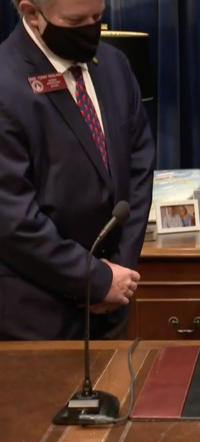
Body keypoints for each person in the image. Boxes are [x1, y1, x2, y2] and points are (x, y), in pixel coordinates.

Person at [0, 0, 156, 340]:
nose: (91, 30)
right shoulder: (4, 82)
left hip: (112, 307)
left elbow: (140, 168)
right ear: (31, 13)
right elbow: (13, 219)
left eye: (97, 17)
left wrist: (119, 272)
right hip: (37, 315)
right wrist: (93, 280)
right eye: (75, 21)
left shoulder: (115, 65)